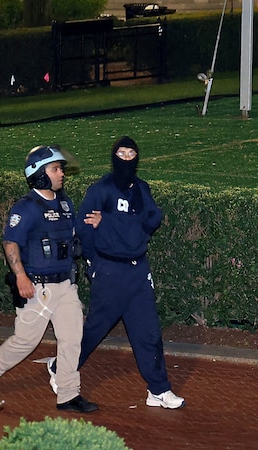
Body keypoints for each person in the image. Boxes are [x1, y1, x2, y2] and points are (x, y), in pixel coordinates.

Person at [50, 136, 185, 409]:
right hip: (110, 270)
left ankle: (158, 389)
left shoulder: (142, 189)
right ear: (114, 156)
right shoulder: (101, 189)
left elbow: (152, 220)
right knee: (95, 328)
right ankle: (60, 366)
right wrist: (95, 264)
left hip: (138, 270)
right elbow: (85, 230)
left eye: (130, 153)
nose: (126, 158)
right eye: (121, 153)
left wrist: (111, 222)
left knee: (148, 332)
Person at [0, 145, 97, 413]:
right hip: (38, 289)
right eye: (56, 169)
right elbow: (10, 244)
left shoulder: (65, 203)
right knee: (25, 342)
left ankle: (68, 394)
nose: (61, 174)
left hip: (66, 286)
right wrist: (20, 277)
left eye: (61, 169)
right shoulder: (26, 208)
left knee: (71, 339)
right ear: (40, 174)